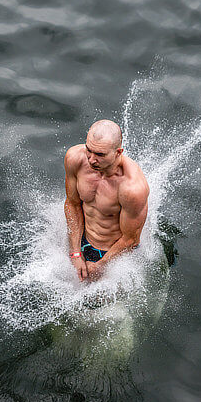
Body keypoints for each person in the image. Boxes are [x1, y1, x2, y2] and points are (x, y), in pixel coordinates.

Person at [65, 119, 150, 282]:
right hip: (82, 238)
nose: (91, 160)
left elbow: (131, 239)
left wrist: (101, 265)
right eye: (89, 150)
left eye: (100, 155)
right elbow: (72, 203)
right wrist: (75, 252)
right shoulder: (75, 159)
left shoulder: (132, 188)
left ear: (118, 152)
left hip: (113, 254)